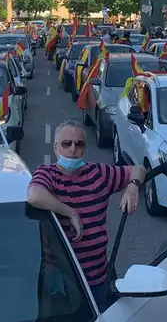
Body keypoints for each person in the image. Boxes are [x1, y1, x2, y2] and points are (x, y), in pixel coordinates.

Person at [27, 121, 146, 311]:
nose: (73, 149)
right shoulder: (47, 174)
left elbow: (139, 169)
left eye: (79, 144)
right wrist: (70, 212)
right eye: (66, 144)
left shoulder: (99, 173)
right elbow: (34, 195)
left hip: (98, 278)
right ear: (56, 149)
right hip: (62, 281)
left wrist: (133, 186)